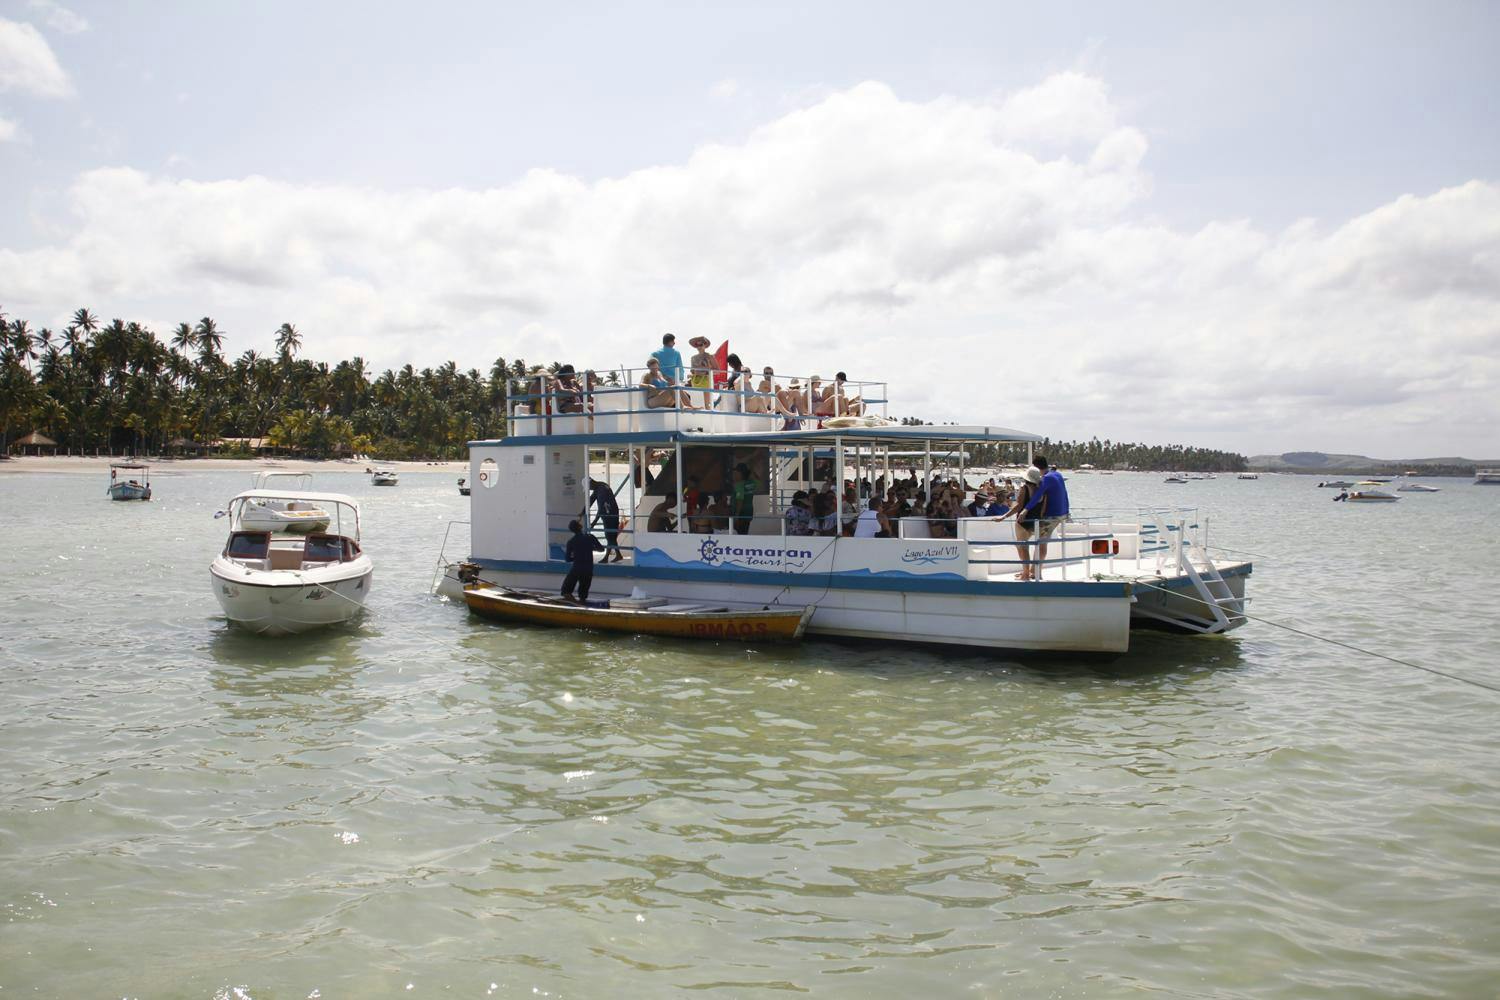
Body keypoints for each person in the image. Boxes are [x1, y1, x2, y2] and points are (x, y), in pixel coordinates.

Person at [1019, 455, 1070, 573]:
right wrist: (1067, 510)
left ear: (1036, 467)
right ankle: (1033, 570)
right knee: (1041, 540)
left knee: (1041, 542)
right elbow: (1065, 494)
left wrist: (1025, 510)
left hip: (1053, 515)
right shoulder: (1057, 474)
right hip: (1063, 513)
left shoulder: (1046, 478)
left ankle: (1036, 572)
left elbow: (1037, 496)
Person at [994, 467, 1042, 580]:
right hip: (1036, 521)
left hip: (1023, 522)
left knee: (1022, 547)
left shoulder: (1024, 488)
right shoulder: (1040, 490)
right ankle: (1029, 571)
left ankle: (1025, 573)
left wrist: (1004, 516)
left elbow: (1019, 506)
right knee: (1028, 546)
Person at [561, 519, 605, 602]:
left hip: (577, 568)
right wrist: (591, 548)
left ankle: (574, 605)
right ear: (580, 527)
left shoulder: (571, 541)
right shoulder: (590, 537)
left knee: (565, 591)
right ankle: (581, 605)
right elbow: (601, 549)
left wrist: (576, 556)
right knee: (583, 594)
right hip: (588, 568)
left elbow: (567, 559)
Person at [588, 477, 623, 562]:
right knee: (611, 537)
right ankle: (616, 555)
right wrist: (583, 511)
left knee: (609, 536)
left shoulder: (601, 490)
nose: (589, 489)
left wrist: (594, 522)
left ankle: (608, 557)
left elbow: (601, 508)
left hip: (609, 515)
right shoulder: (601, 486)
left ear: (591, 483)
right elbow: (591, 500)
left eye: (589, 487)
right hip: (612, 514)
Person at [730, 462, 759, 535]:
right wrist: (752, 471)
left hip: (741, 514)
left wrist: (736, 516)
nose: (734, 475)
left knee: (738, 534)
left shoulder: (739, 485)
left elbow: (740, 501)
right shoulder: (751, 483)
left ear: (741, 473)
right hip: (749, 513)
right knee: (745, 533)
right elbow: (759, 480)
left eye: (736, 473)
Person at [687, 336, 715, 407]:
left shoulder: (710, 356)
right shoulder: (693, 358)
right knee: (697, 403)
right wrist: (690, 374)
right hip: (695, 382)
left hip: (706, 381)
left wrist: (707, 372)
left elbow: (718, 371)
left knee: (707, 404)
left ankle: (709, 417)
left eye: (701, 345)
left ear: (705, 345)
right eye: (697, 345)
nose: (699, 347)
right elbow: (692, 371)